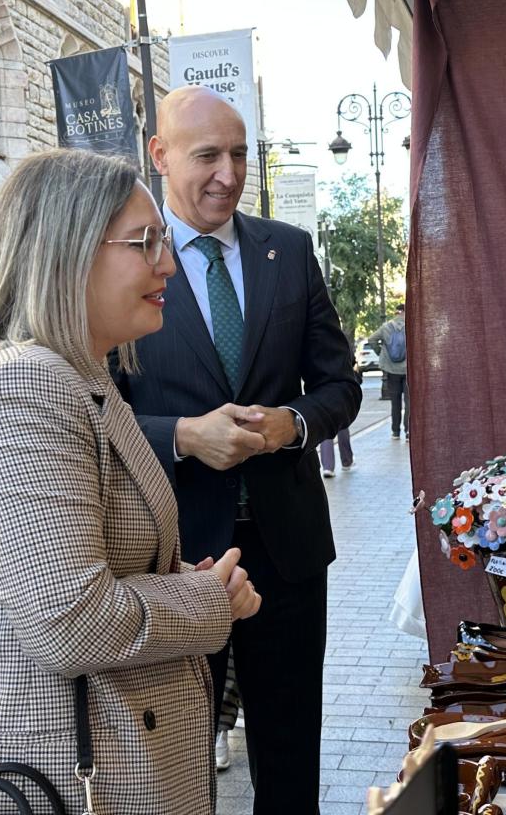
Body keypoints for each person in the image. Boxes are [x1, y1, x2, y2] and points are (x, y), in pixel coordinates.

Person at [0, 149, 258, 815]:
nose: (167, 263)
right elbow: (69, 622)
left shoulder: (80, 376)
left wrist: (178, 581)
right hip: (50, 776)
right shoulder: (24, 385)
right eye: (143, 242)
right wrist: (207, 601)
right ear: (66, 251)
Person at [114, 86, 361, 814]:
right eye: (207, 156)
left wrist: (294, 422)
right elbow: (99, 406)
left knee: (290, 755)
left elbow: (340, 383)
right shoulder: (123, 260)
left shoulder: (290, 251)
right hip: (174, 557)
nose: (228, 173)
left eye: (240, 154)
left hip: (286, 552)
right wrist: (183, 437)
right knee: (174, 758)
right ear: (158, 156)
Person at [370, 302, 408, 438]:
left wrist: (381, 352)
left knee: (395, 401)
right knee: (409, 402)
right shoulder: (411, 325)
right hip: (408, 370)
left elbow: (372, 339)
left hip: (391, 370)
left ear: (396, 312)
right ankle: (408, 431)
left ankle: (395, 431)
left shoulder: (386, 327)